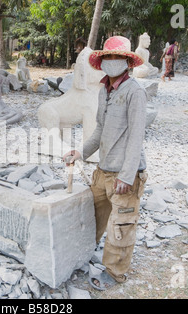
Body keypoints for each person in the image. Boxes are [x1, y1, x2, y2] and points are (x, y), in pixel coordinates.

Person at [64, 36, 148, 288]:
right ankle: (84, 253)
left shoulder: (135, 92)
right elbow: (99, 130)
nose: (112, 62)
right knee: (93, 215)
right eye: (108, 57)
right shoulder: (105, 91)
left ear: (127, 61)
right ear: (102, 62)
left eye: (117, 57)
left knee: (121, 225)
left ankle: (114, 272)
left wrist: (126, 174)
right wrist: (80, 152)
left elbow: (136, 136)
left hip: (125, 174)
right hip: (103, 171)